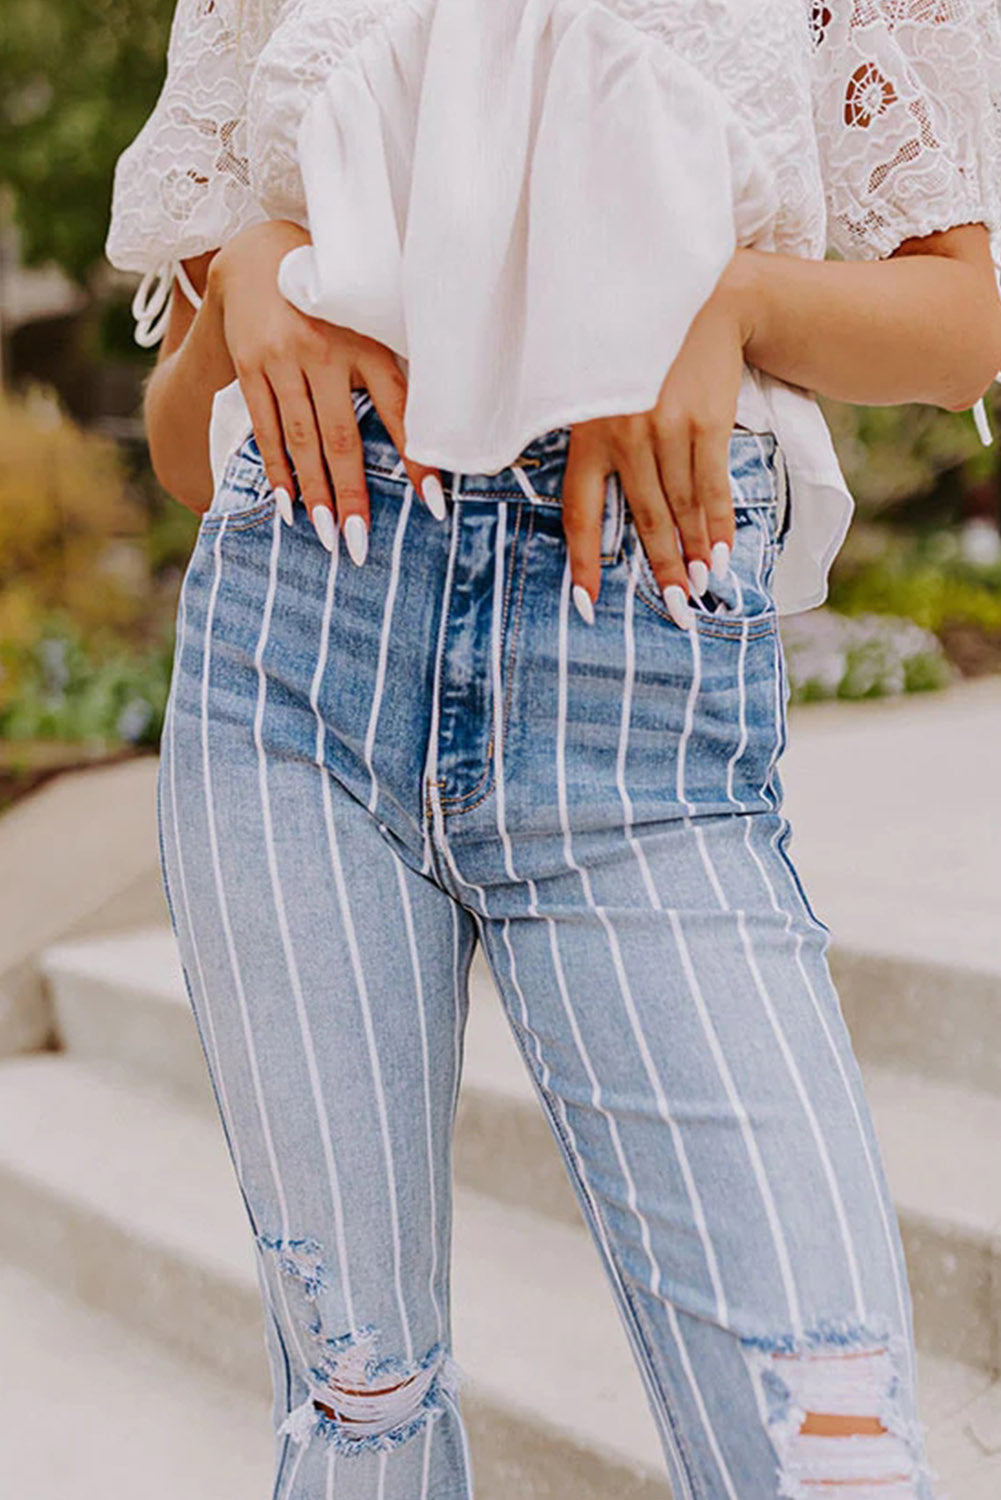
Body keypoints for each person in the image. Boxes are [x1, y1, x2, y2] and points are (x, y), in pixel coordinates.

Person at [105, 2, 1001, 1496]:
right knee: (356, 1408)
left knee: (830, 1449)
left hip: (635, 702)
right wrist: (244, 281)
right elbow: (194, 451)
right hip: (296, 667)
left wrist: (732, 308)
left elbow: (963, 314)